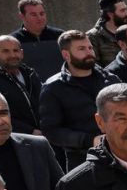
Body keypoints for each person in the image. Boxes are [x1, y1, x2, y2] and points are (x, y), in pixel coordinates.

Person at [39, 30, 115, 169]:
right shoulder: (53, 87)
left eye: (90, 48)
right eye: (81, 49)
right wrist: (89, 140)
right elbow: (51, 131)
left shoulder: (109, 78)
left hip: (117, 152)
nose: (89, 52)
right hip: (82, 159)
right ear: (66, 55)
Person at [0, 35, 43, 135]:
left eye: (15, 50)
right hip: (14, 138)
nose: (12, 55)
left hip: (44, 135)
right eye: (6, 51)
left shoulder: (30, 74)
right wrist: (30, 131)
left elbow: (45, 104)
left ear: (21, 53)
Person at [13, 0, 64, 79]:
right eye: (33, 14)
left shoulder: (60, 36)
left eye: (42, 13)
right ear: (22, 16)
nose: (40, 18)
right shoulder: (13, 41)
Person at [87, 0, 127, 67]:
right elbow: (95, 66)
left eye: (126, 9)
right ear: (110, 14)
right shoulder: (93, 37)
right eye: (122, 11)